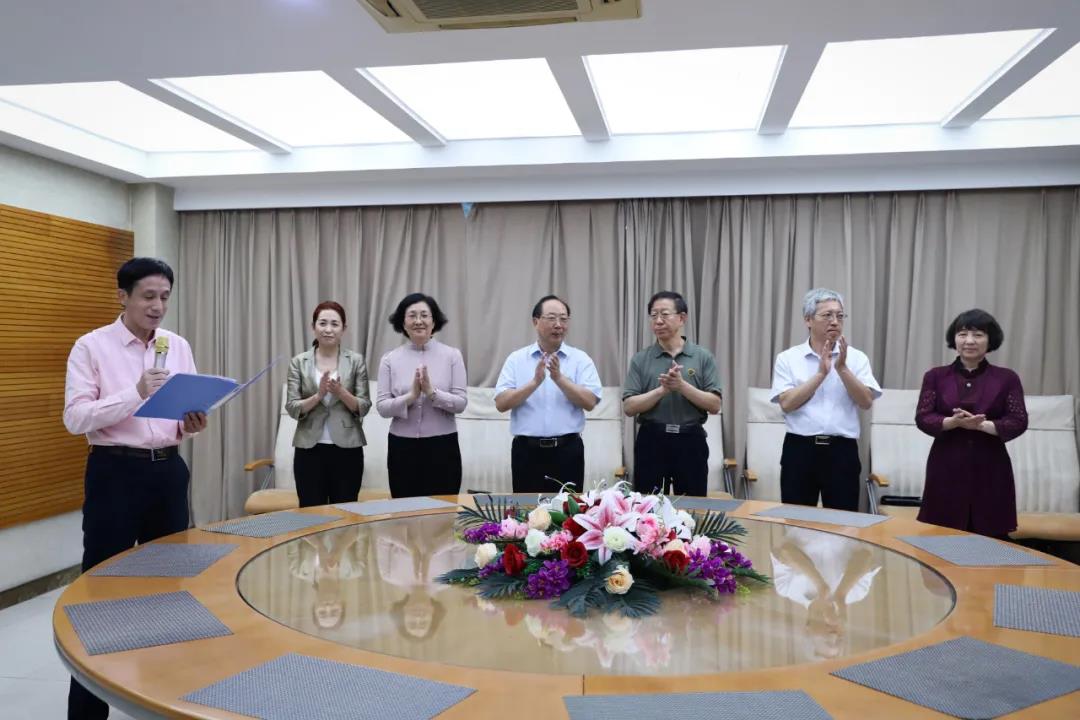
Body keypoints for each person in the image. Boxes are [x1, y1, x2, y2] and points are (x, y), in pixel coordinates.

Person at [63, 257, 208, 720]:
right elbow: (76, 418)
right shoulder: (91, 346)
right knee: (102, 593)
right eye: (148, 296)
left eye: (165, 297)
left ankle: (160, 699)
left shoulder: (176, 345)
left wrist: (190, 423)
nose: (158, 306)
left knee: (168, 593)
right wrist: (136, 392)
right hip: (115, 474)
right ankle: (87, 712)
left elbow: (178, 417)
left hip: (168, 472)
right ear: (122, 296)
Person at [915, 309, 1028, 538]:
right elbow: (923, 417)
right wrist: (953, 422)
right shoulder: (935, 376)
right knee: (941, 539)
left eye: (978, 335)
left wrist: (981, 425)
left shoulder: (1007, 378)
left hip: (991, 467)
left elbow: (1018, 420)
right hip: (946, 465)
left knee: (990, 541)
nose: (969, 341)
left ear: (990, 340)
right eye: (963, 334)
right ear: (954, 338)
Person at [770, 288, 881, 510]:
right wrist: (820, 374)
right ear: (808, 320)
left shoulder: (856, 358)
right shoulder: (788, 358)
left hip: (842, 451)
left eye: (840, 315)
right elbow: (787, 404)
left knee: (843, 522)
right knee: (796, 521)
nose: (835, 321)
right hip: (800, 449)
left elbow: (866, 401)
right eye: (827, 315)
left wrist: (842, 369)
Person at [495, 295, 602, 494]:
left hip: (567, 451)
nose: (558, 325)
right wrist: (534, 383)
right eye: (551, 318)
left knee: (568, 511)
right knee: (527, 510)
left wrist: (559, 378)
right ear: (535, 321)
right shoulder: (516, 359)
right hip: (526, 452)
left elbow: (590, 402)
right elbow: (501, 403)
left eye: (563, 319)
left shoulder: (580, 359)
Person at [622, 291, 722, 496]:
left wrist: (681, 386)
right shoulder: (641, 359)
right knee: (647, 505)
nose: (658, 321)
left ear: (682, 318)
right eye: (653, 315)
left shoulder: (702, 357)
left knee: (692, 506)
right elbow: (629, 407)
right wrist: (663, 390)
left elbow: (714, 405)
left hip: (690, 440)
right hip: (651, 440)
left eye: (664, 314)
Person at [376, 293, 467, 498]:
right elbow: (382, 407)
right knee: (405, 509)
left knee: (442, 509)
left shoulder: (452, 356)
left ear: (434, 322)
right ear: (403, 323)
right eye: (412, 316)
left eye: (424, 315)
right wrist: (410, 396)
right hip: (402, 447)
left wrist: (432, 393)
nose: (418, 321)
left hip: (442, 446)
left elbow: (461, 403)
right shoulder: (389, 359)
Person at [285, 301, 370, 507]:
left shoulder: (355, 360)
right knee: (310, 512)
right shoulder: (299, 362)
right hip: (309, 449)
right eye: (322, 323)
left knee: (346, 512)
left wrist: (341, 392)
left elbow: (364, 406)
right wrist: (318, 396)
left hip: (347, 449)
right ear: (313, 326)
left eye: (334, 324)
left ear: (343, 328)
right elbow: (292, 407)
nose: (328, 329)